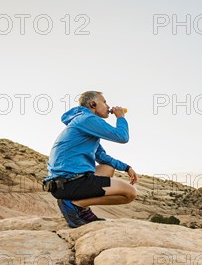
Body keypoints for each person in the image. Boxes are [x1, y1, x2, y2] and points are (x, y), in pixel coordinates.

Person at [43, 91, 138, 227]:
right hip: (69, 182)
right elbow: (122, 136)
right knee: (130, 193)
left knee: (107, 168)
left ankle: (80, 208)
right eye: (104, 102)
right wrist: (120, 117)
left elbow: (101, 157)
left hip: (63, 183)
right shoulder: (87, 119)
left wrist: (126, 167)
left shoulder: (84, 123)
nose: (108, 106)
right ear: (92, 104)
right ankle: (75, 205)